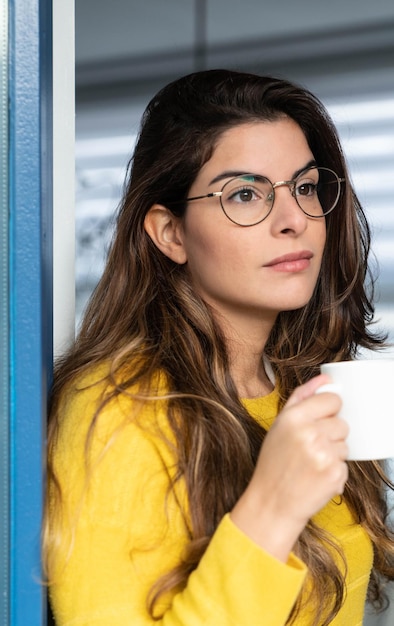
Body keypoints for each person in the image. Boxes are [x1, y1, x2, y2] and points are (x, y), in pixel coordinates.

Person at [44, 69, 394, 626]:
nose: (294, 221)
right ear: (170, 234)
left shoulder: (302, 387)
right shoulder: (118, 409)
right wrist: (271, 510)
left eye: (305, 187)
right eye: (246, 194)